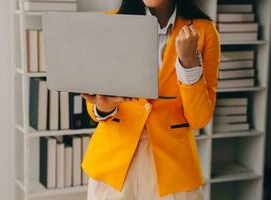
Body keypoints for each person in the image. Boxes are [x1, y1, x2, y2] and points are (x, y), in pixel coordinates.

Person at [81, 0, 220, 199]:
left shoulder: (204, 31)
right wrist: (103, 108)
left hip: (174, 169)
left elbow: (200, 119)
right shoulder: (108, 24)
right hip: (112, 165)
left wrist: (189, 65)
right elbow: (93, 106)